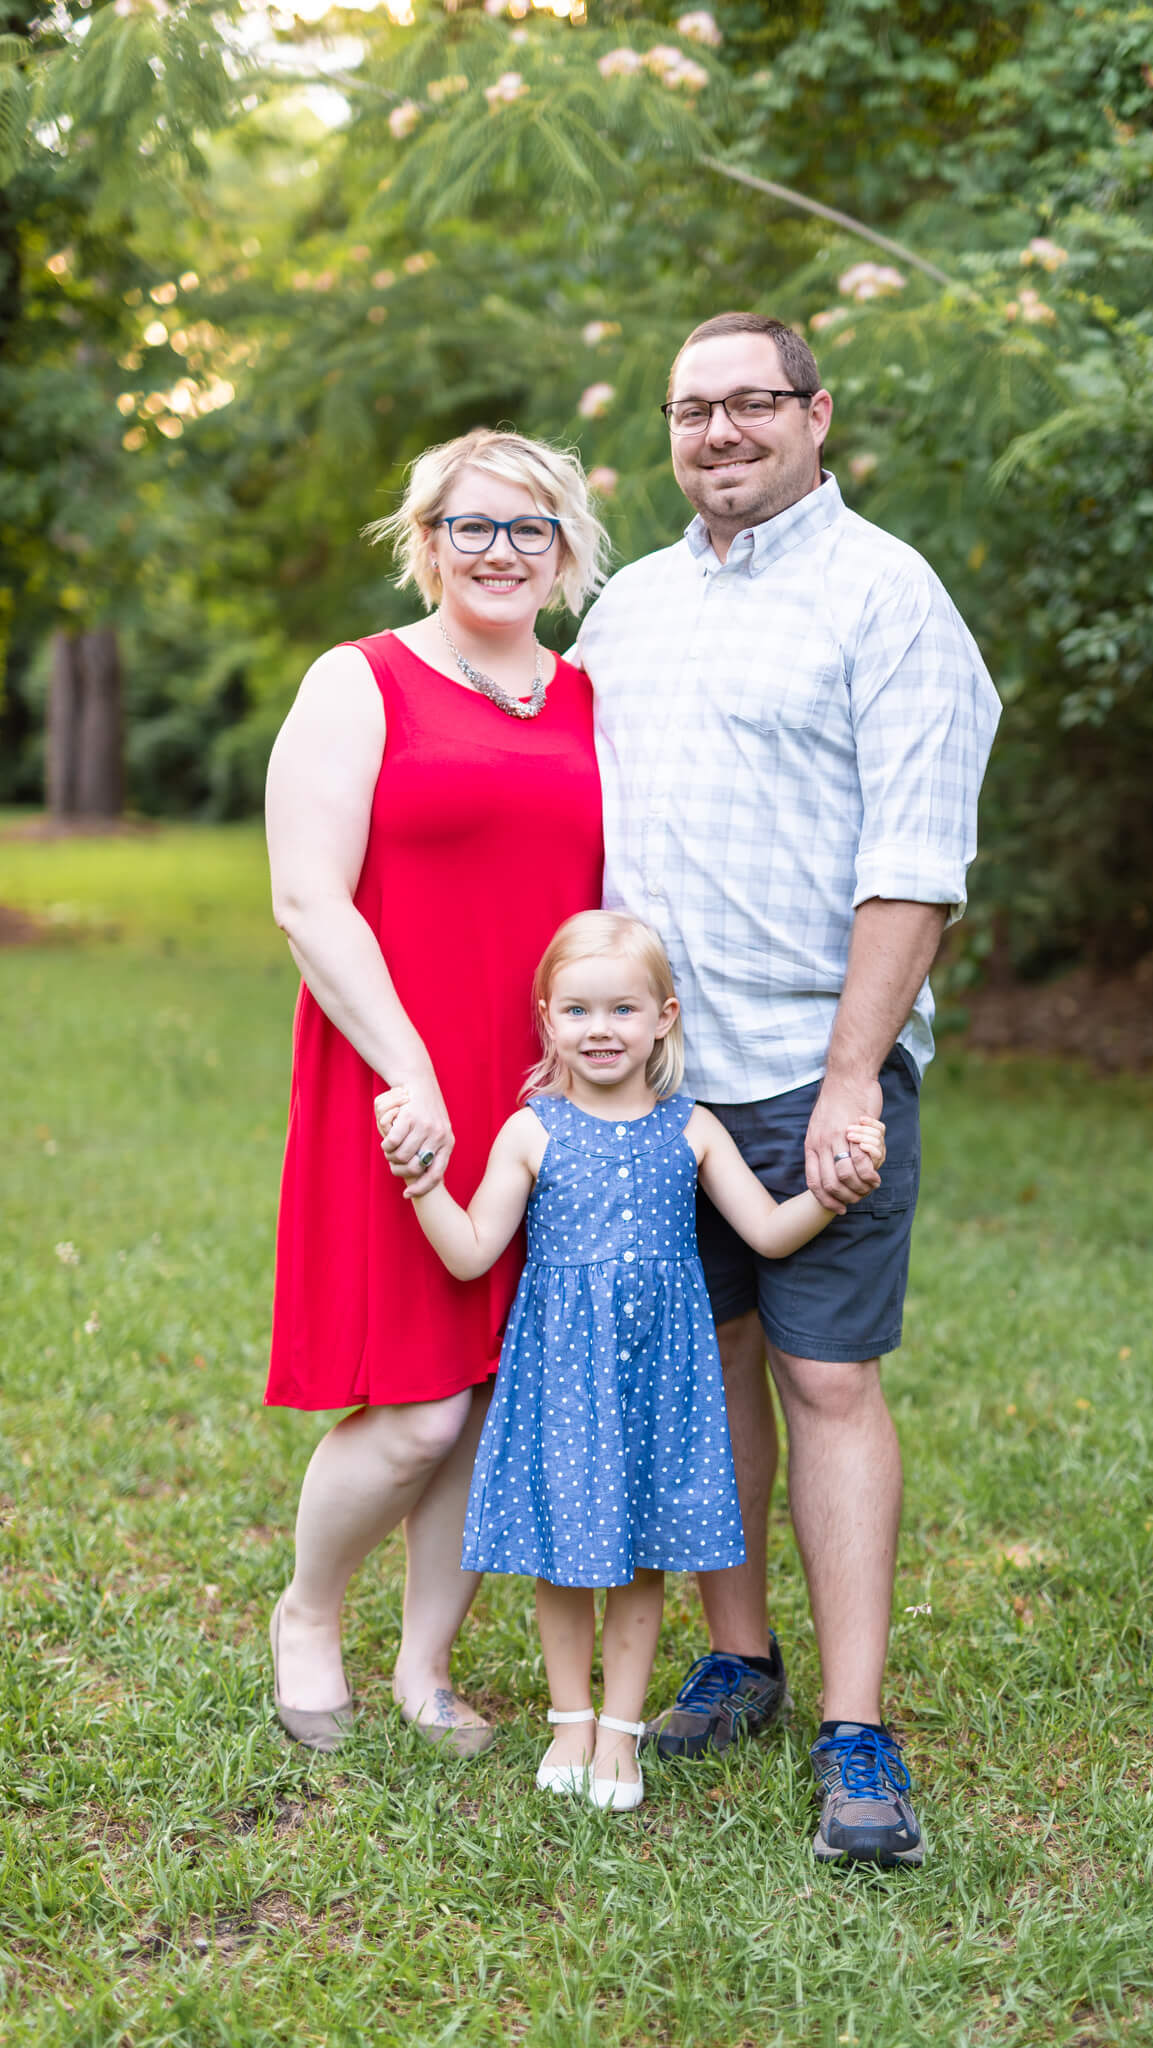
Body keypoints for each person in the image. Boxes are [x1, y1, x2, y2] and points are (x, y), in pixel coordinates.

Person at [575, 311, 1001, 1867]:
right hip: (646, 1080)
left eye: (751, 403)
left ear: (816, 415)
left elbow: (913, 865)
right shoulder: (629, 604)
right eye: (695, 410)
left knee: (823, 1378)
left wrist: (850, 1080)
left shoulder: (885, 596)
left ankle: (855, 1727)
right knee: (713, 1362)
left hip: (806, 1070)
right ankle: (739, 1656)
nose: (719, 433)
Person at [373, 910, 886, 1811]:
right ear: (546, 1020)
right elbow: (468, 1251)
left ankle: (619, 1732)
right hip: (563, 1381)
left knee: (640, 1559)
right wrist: (423, 1185)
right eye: (576, 1011)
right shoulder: (532, 1131)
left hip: (657, 1385)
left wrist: (829, 1194)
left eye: (622, 1009)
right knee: (563, 1562)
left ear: (665, 1018)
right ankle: (569, 1720)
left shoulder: (690, 1131)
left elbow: (767, 1233)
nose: (599, 1029)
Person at [262, 430, 607, 1754]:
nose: (501, 551)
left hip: (540, 1088)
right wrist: (412, 1072)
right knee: (415, 1406)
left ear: (565, 545)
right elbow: (306, 898)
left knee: (489, 1382)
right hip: (397, 1074)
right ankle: (306, 1613)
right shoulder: (362, 681)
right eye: (473, 526)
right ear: (428, 538)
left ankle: (422, 1667)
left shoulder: (585, 697)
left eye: (528, 528)